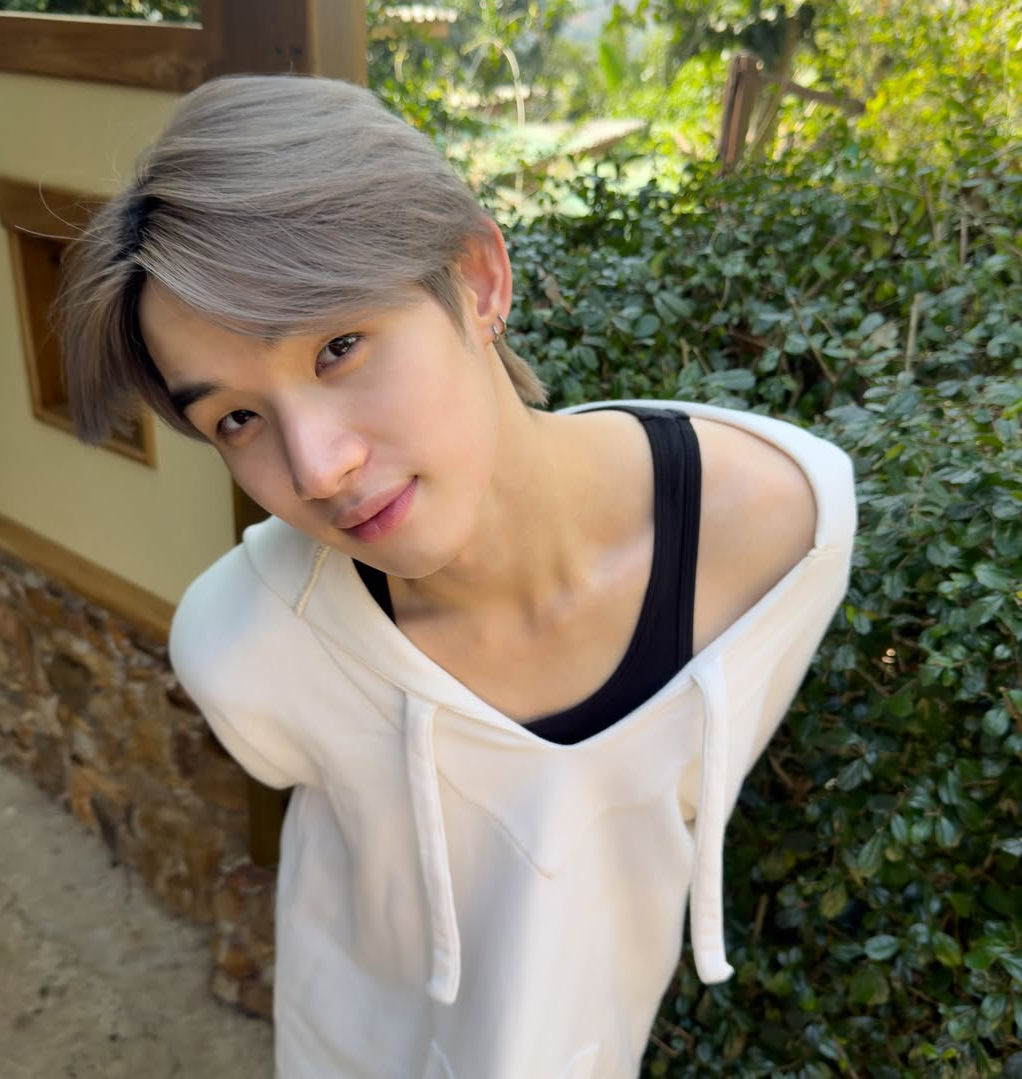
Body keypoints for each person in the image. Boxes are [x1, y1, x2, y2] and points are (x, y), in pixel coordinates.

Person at [60, 74, 856, 1079]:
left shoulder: (780, 535)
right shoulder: (247, 645)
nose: (316, 469)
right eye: (237, 418)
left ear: (477, 280)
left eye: (339, 346)